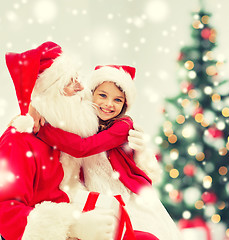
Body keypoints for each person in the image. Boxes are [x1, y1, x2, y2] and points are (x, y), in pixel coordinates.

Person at [0, 42, 152, 240]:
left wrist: (140, 155)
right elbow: (6, 213)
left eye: (78, 78)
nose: (82, 88)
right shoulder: (20, 139)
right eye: (71, 82)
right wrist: (73, 226)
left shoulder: (67, 131)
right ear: (52, 91)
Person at [33, 65, 181, 240]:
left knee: (140, 233)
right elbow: (62, 114)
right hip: (94, 193)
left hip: (124, 193)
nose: (109, 104)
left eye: (118, 100)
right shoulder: (84, 120)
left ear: (125, 105)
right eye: (103, 95)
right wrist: (37, 111)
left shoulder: (123, 126)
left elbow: (83, 148)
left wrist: (42, 130)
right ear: (91, 94)